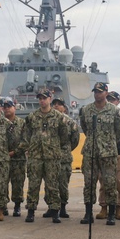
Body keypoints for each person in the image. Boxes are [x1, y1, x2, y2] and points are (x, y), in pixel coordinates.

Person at [78, 82, 120, 225]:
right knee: (89, 183)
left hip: (108, 153)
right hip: (90, 152)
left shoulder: (115, 111)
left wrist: (107, 143)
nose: (97, 94)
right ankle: (88, 213)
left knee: (110, 183)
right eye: (95, 92)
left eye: (100, 91)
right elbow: (85, 128)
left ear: (106, 92)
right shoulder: (86, 110)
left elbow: (119, 131)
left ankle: (111, 214)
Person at [20, 88, 70, 223]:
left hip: (52, 157)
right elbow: (26, 135)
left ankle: (55, 211)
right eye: (40, 98)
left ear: (50, 99)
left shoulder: (59, 117)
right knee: (33, 185)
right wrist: (29, 148)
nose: (42, 100)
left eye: (44, 98)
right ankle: (31, 211)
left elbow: (64, 137)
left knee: (52, 185)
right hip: (35, 156)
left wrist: (55, 148)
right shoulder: (32, 117)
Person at [98, 91, 120, 220]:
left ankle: (118, 208)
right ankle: (104, 207)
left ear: (118, 102)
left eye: (113, 100)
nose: (110, 101)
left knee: (118, 181)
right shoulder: (100, 115)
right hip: (104, 154)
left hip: (118, 154)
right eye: (108, 99)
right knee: (103, 182)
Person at [52, 98, 81, 219]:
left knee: (63, 185)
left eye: (59, 105)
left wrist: (65, 149)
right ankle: (52, 208)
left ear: (64, 107)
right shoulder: (48, 121)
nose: (56, 107)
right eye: (54, 104)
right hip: (50, 158)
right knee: (51, 185)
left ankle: (62, 208)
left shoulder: (70, 123)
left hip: (64, 159)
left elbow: (75, 140)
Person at [2, 98, 26, 217]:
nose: (6, 108)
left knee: (18, 184)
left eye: (9, 106)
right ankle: (3, 206)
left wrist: (15, 152)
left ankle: (17, 206)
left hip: (18, 159)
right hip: (2, 159)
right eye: (4, 106)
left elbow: (26, 140)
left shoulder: (22, 123)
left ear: (14, 108)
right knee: (2, 183)